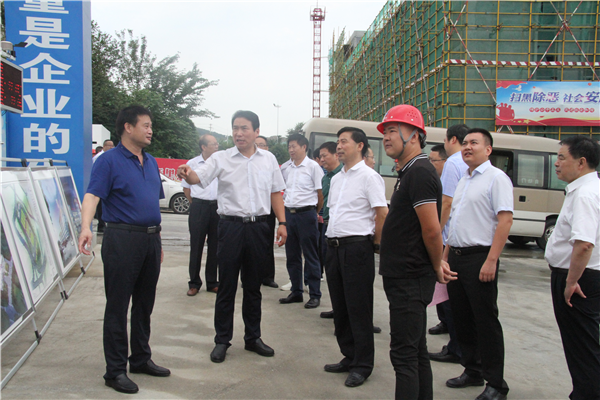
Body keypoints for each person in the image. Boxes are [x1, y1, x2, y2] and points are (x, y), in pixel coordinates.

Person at [177, 110, 287, 364]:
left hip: (259, 228)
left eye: (244, 128)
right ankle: (222, 340)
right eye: (235, 128)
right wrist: (187, 172)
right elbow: (197, 178)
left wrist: (282, 223)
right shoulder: (221, 158)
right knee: (226, 286)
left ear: (256, 131)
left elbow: (275, 193)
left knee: (253, 286)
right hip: (229, 227)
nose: (239, 133)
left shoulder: (268, 159)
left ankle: (253, 337)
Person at [78, 106, 170, 394]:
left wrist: (157, 239)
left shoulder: (151, 161)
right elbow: (92, 195)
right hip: (122, 239)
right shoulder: (108, 161)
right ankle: (115, 370)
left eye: (151, 125)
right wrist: (85, 227)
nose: (150, 130)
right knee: (118, 306)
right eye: (146, 125)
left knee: (144, 303)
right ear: (128, 127)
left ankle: (140, 358)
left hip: (150, 240)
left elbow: (151, 204)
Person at [378, 104, 456, 400]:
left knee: (404, 355)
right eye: (384, 132)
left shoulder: (420, 172)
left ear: (414, 135)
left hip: (410, 277)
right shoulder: (409, 171)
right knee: (416, 350)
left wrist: (437, 264)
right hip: (404, 276)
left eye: (392, 130)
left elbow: (432, 229)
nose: (386, 137)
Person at [443, 128, 513, 400]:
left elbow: (505, 220)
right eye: (465, 143)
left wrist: (491, 260)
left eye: (474, 142)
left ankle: (496, 383)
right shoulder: (464, 179)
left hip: (480, 257)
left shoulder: (497, 179)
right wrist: (445, 255)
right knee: (462, 318)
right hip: (456, 256)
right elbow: (455, 222)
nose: (467, 147)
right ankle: (472, 370)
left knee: (485, 321)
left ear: (488, 149)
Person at [323, 127, 388, 388]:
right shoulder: (337, 178)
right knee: (340, 307)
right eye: (337, 142)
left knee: (358, 308)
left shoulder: (370, 177)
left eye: (344, 142)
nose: (339, 146)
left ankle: (363, 365)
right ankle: (349, 356)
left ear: (360, 146)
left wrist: (375, 244)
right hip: (333, 247)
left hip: (357, 248)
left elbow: (381, 213)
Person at [545, 135, 600, 400]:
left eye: (561, 158)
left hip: (579, 279)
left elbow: (584, 244)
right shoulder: (586, 189)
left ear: (581, 162)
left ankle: (587, 394)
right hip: (582, 276)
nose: (556, 163)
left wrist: (570, 282)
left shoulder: (585, 194)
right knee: (582, 344)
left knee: (582, 347)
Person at [428, 124, 469, 365]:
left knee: (450, 296)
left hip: (449, 238)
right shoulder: (469, 165)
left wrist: (436, 231)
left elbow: (446, 203)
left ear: (452, 139)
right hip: (462, 237)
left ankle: (456, 348)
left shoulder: (453, 163)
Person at [278, 133, 324, 309]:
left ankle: (314, 294)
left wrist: (314, 213)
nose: (291, 150)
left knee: (310, 254)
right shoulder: (285, 168)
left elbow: (320, 194)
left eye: (294, 146)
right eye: (289, 146)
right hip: (289, 215)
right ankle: (296, 291)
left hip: (307, 214)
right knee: (292, 255)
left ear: (304, 147)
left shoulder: (313, 167)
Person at [182, 134, 220, 296]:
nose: (217, 146)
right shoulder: (192, 164)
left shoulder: (220, 163)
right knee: (196, 245)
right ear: (203, 147)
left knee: (215, 247)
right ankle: (194, 283)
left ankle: (212, 282)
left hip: (217, 208)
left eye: (217, 144)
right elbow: (186, 188)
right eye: (213, 144)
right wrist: (195, 204)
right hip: (199, 206)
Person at [317, 141, 343, 320]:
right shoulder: (325, 178)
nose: (322, 160)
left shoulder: (343, 175)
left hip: (341, 228)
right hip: (327, 226)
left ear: (335, 155)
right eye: (320, 156)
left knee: (345, 273)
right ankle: (337, 308)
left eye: (325, 155)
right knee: (331, 270)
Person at [255, 135, 279, 288]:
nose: (258, 148)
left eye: (261, 145)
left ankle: (268, 277)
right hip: (252, 210)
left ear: (267, 148)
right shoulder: (247, 163)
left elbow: (276, 190)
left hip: (268, 208)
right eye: (256, 144)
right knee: (249, 246)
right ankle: (250, 277)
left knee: (267, 243)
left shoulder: (270, 162)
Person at [93, 139, 116, 233]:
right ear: (104, 146)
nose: (112, 147)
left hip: (108, 184)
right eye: (110, 146)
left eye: (112, 145)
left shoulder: (111, 156)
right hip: (100, 184)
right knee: (100, 206)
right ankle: (101, 225)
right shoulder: (99, 157)